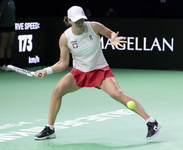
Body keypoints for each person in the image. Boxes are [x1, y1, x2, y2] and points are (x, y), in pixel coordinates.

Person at [34, 6, 162, 140]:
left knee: (117, 93)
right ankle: (50, 128)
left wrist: (112, 38)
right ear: (69, 20)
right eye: (77, 20)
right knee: (57, 90)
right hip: (79, 72)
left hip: (100, 69)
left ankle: (151, 122)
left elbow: (110, 33)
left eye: (82, 20)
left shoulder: (94, 27)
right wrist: (46, 70)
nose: (80, 23)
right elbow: (63, 63)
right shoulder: (65, 38)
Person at [0, 0, 16, 71]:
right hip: (4, 26)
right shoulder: (3, 3)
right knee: (3, 45)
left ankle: (8, 65)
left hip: (12, 26)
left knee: (9, 45)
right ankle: (1, 65)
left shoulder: (12, 2)